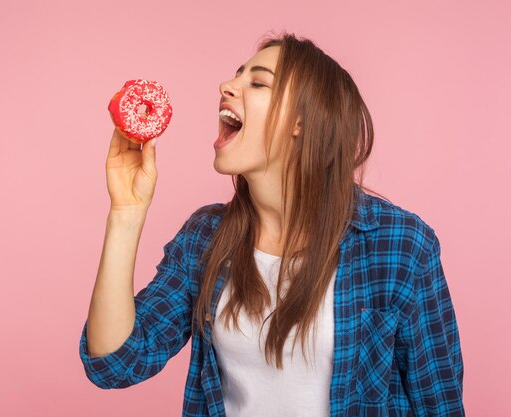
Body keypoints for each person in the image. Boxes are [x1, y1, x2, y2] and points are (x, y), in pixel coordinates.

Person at [79, 31, 465, 417]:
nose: (225, 86)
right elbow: (115, 363)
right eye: (236, 75)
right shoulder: (205, 236)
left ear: (301, 121)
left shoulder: (400, 246)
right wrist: (126, 213)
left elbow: (440, 405)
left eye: (258, 82)